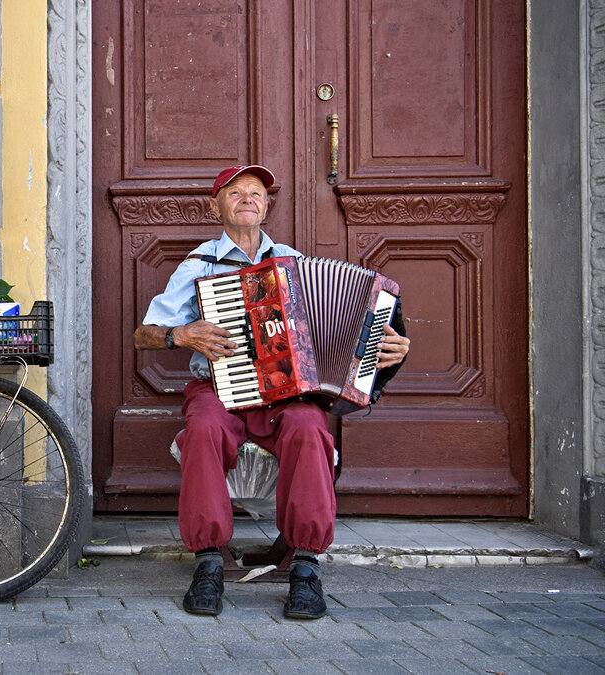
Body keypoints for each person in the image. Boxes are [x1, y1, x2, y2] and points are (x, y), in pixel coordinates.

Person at [133, 165, 410, 620]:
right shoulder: (199, 264)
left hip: (285, 395)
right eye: (236, 192)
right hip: (218, 387)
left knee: (309, 427)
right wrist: (182, 335)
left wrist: (391, 343)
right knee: (202, 429)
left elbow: (350, 328)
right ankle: (207, 561)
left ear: (266, 205)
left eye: (257, 193)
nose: (247, 198)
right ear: (215, 205)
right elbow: (144, 334)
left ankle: (304, 565)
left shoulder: (292, 263)